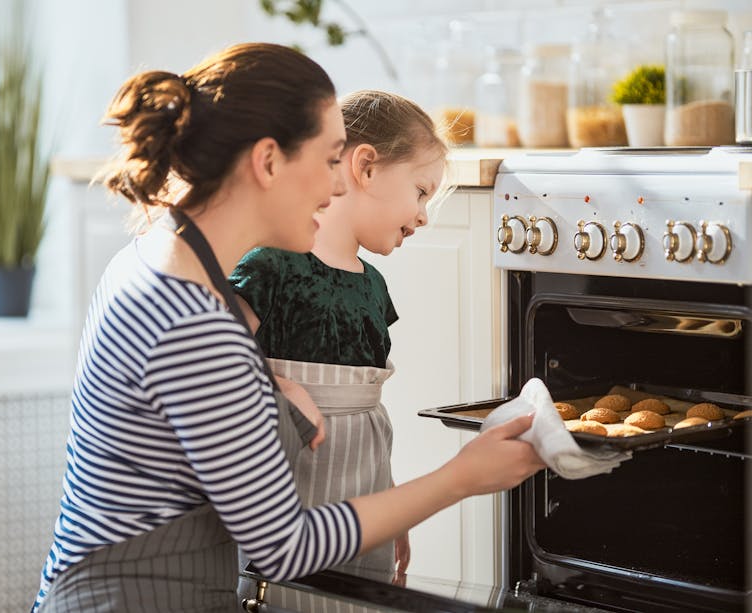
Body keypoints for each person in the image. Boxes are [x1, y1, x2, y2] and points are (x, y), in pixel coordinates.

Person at [32, 42, 545, 613]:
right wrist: (461, 477)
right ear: (269, 161)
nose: (335, 187)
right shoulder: (197, 326)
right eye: (330, 161)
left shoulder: (152, 257)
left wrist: (266, 385)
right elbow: (284, 548)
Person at [228, 90, 445, 600]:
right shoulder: (268, 266)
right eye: (420, 192)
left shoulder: (374, 287)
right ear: (365, 167)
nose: (424, 216)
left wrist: (392, 506)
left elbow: (373, 421)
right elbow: (214, 365)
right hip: (284, 497)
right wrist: (277, 383)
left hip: (363, 500)